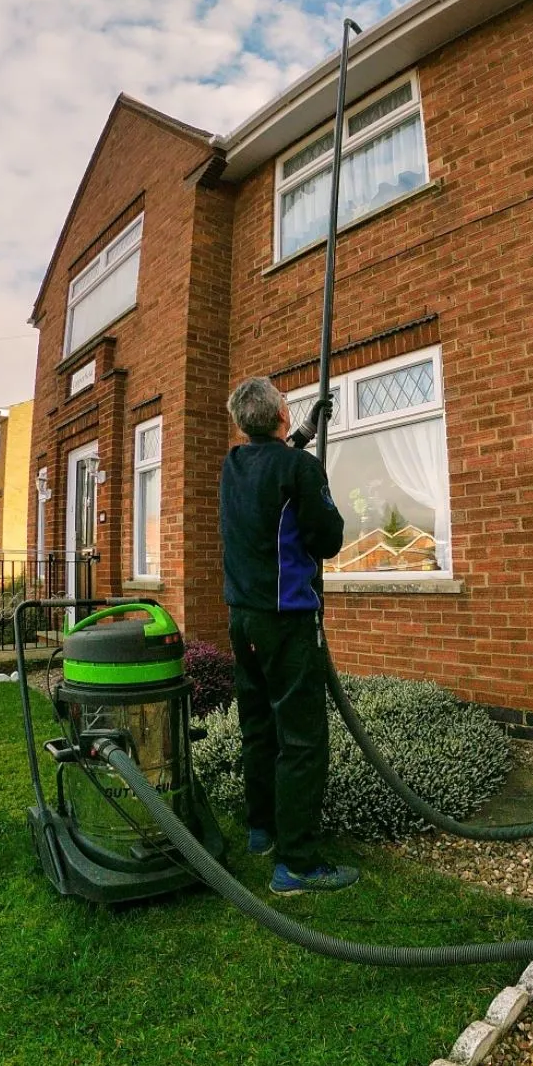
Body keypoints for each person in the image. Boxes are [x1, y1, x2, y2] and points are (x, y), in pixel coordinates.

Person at [219, 376, 359, 895]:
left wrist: (303, 432)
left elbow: (268, 469)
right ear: (278, 414)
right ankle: (297, 865)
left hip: (242, 621)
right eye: (286, 407)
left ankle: (263, 831)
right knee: (302, 740)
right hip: (285, 621)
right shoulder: (301, 468)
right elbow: (329, 540)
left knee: (259, 726)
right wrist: (309, 465)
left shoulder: (233, 465)